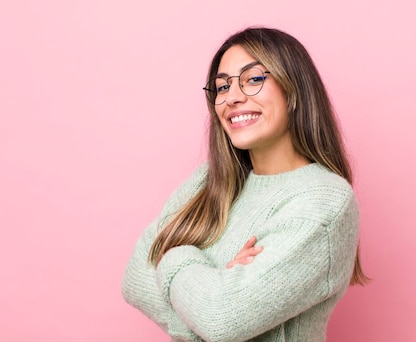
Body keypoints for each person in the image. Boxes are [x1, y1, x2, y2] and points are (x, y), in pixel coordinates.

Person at [121, 26, 367, 341]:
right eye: (221, 87)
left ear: (294, 89)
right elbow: (134, 278)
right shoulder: (206, 183)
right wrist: (215, 287)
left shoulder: (324, 202)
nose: (232, 98)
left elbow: (221, 319)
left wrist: (173, 253)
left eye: (253, 79)